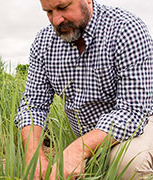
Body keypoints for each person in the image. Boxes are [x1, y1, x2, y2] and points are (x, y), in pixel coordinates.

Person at [14, 0, 153, 179]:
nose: (56, 20)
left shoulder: (126, 29)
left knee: (129, 163)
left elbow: (132, 111)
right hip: (89, 134)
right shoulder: (44, 42)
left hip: (140, 125)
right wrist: (34, 156)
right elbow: (33, 106)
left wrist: (78, 150)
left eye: (63, 7)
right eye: (48, 12)